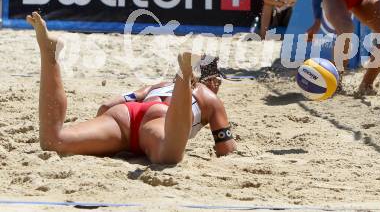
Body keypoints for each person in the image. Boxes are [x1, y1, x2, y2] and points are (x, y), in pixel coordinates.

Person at [26, 11, 236, 164]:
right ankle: (184, 76)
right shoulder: (211, 99)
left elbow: (107, 106)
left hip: (126, 115)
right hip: (160, 120)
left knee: (54, 141)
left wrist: (111, 135)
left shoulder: (159, 85)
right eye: (218, 81)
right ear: (212, 81)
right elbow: (226, 150)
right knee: (169, 156)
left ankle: (49, 54)